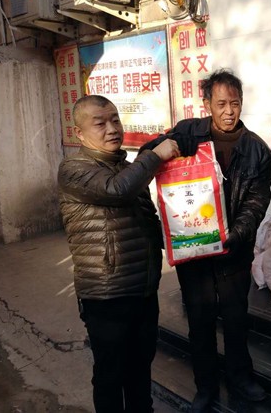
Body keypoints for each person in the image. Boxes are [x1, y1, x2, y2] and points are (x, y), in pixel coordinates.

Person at [140, 69, 271, 413]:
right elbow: (145, 156)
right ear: (207, 104)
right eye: (221, 104)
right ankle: (205, 385)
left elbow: (257, 201)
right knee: (199, 322)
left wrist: (233, 237)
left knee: (236, 319)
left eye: (235, 103)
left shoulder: (257, 149)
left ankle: (241, 378)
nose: (229, 111)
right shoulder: (188, 133)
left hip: (234, 252)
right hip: (194, 252)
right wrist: (164, 148)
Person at [58, 95, 180, 412]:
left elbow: (148, 219)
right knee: (110, 375)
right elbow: (117, 190)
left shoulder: (127, 169)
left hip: (143, 289)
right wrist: (154, 156)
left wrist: (188, 240)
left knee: (140, 370)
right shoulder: (73, 169)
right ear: (79, 133)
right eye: (100, 123)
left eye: (115, 120)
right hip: (107, 294)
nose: (112, 129)